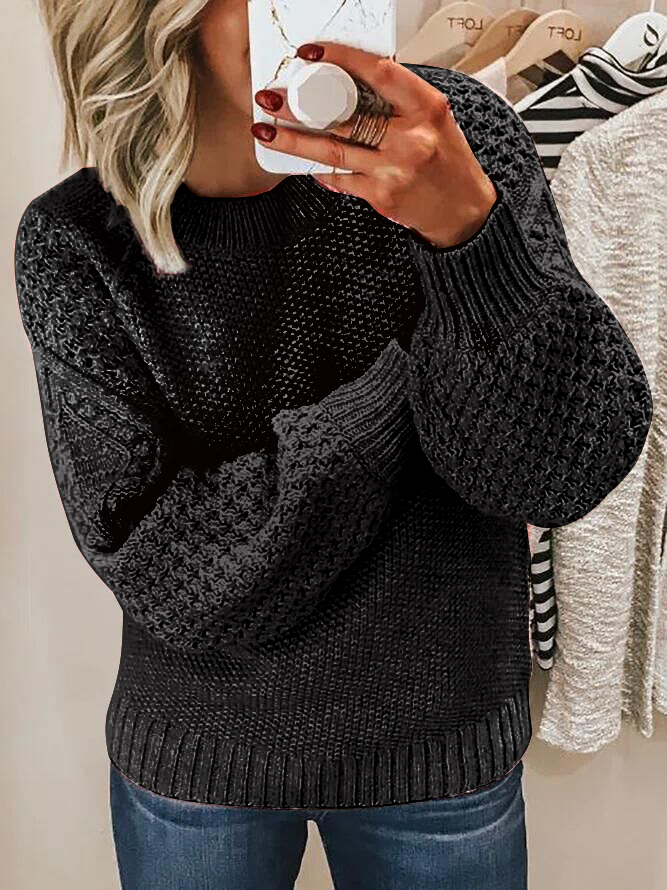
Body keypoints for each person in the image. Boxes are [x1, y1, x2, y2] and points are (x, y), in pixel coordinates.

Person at [14, 2, 652, 889]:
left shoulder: (457, 142)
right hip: (201, 764)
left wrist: (468, 236)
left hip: (440, 753)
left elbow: (556, 475)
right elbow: (170, 571)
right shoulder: (79, 240)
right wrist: (402, 385)